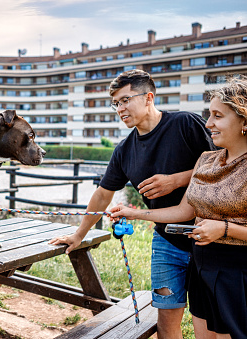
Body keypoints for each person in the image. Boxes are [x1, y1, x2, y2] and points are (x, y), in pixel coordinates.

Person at [49, 69, 215, 338]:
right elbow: (103, 194)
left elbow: (223, 163)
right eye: (116, 103)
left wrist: (176, 180)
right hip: (166, 242)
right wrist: (79, 234)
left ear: (148, 97)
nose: (120, 109)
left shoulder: (185, 123)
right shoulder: (124, 150)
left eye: (125, 100)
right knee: (166, 320)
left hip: (210, 239)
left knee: (207, 323)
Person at [109, 76, 247, 338]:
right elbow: (185, 211)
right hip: (203, 271)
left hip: (238, 275)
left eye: (217, 116)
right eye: (209, 115)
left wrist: (225, 229)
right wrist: (134, 213)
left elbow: (225, 226)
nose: (208, 124)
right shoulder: (206, 160)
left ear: (244, 120)